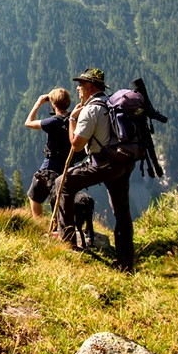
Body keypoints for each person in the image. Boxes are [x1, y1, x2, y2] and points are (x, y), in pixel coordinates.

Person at [57, 67, 136, 271]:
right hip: (122, 163)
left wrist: (72, 119)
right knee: (122, 212)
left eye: (81, 86)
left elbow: (76, 145)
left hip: (103, 165)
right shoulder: (110, 103)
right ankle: (126, 261)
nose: (78, 90)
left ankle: (67, 242)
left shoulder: (90, 110)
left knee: (62, 183)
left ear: (90, 87)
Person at [23, 87, 71, 218]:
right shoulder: (72, 118)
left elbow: (28, 123)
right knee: (59, 195)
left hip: (50, 165)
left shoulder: (53, 122)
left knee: (34, 194)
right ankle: (59, 224)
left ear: (53, 104)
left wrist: (38, 103)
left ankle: (39, 224)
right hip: (68, 164)